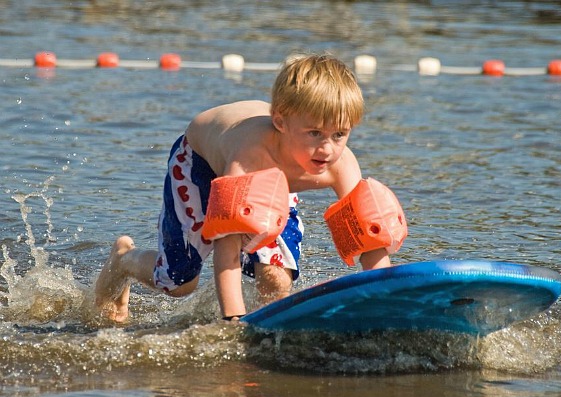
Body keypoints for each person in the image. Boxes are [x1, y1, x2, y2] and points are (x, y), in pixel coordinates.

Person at [95, 53, 408, 323]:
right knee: (179, 283)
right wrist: (234, 321)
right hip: (200, 162)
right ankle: (124, 259)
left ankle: (270, 333)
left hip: (274, 175)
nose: (327, 148)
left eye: (339, 134)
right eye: (315, 133)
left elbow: (369, 244)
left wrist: (393, 307)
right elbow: (226, 245)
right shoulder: (249, 157)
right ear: (281, 123)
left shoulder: (339, 165)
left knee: (275, 277)